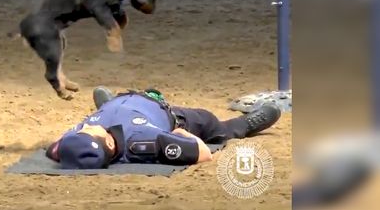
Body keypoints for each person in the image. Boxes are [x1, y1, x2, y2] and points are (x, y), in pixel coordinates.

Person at [46, 87, 282, 169]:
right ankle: (244, 124)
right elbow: (202, 154)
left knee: (108, 110)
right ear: (108, 143)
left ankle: (107, 106)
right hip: (169, 116)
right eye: (88, 131)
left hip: (124, 102)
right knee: (211, 123)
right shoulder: (143, 142)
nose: (85, 126)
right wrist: (182, 133)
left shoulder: (71, 145)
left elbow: (55, 149)